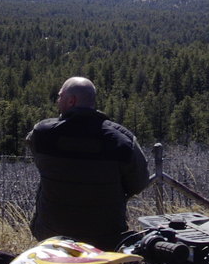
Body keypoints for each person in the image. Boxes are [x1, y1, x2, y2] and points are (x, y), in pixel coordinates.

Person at [26, 76, 150, 250]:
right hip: (105, 237)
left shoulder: (42, 134)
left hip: (52, 235)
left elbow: (41, 162)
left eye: (60, 96)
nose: (57, 100)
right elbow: (139, 183)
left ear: (71, 101)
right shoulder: (122, 140)